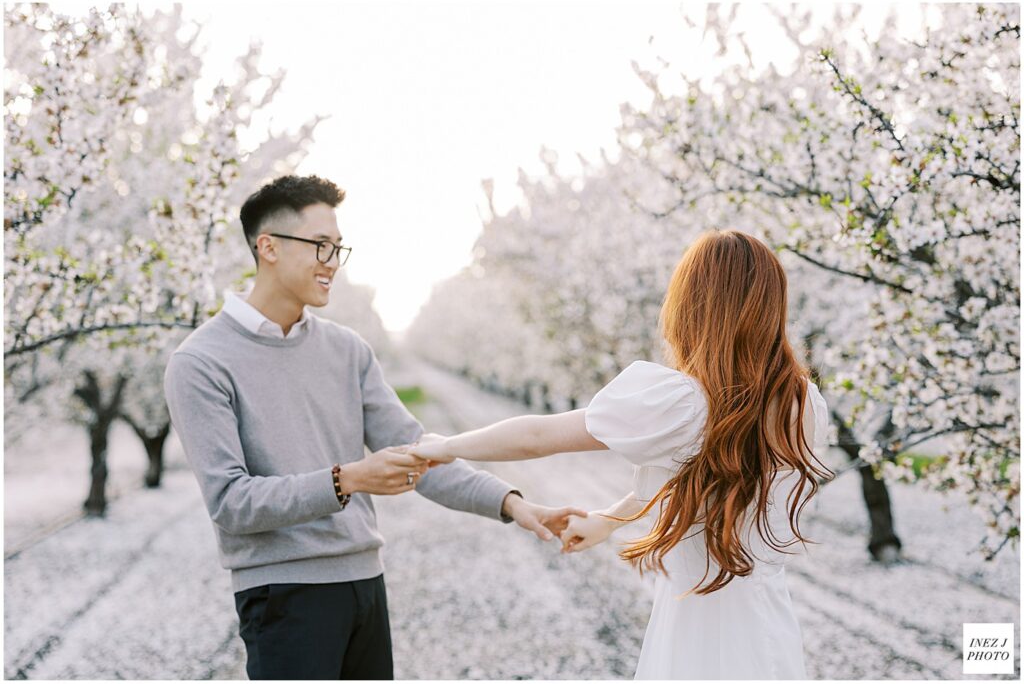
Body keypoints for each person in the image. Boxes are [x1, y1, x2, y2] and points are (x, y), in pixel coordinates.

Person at [163, 174, 585, 680]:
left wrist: (513, 504)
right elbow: (231, 503)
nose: (331, 264)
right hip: (282, 597)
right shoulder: (202, 363)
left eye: (338, 249)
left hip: (365, 585)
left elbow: (418, 451)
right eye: (320, 246)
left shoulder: (346, 350)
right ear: (267, 247)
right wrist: (348, 480)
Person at [409, 229, 836, 680]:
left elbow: (540, 435)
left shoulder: (683, 403)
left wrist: (446, 446)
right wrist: (608, 519)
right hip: (769, 631)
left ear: (692, 308)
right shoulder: (805, 402)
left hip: (699, 635)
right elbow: (700, 477)